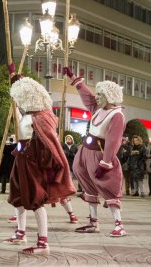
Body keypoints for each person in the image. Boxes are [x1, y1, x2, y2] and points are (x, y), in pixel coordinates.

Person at [4, 77, 75, 255]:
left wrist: (49, 166)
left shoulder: (41, 116)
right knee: (17, 196)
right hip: (20, 159)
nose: (19, 100)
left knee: (35, 199)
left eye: (21, 97)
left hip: (31, 163)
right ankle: (21, 233)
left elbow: (51, 144)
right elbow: (22, 125)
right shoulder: (30, 114)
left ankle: (43, 243)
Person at [63, 66, 127, 237]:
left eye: (100, 95)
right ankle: (93, 222)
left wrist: (106, 163)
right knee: (88, 187)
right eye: (98, 94)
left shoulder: (117, 115)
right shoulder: (98, 108)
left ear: (109, 96)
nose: (97, 97)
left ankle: (119, 225)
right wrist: (75, 80)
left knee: (107, 187)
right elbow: (88, 97)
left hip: (100, 155)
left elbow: (114, 141)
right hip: (85, 151)